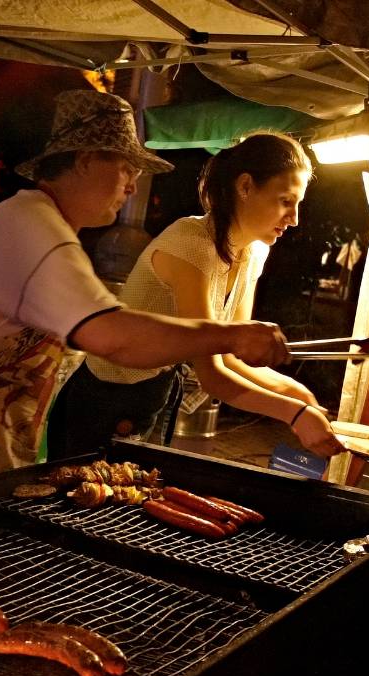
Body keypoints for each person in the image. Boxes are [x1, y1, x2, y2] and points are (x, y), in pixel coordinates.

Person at [0, 90, 295, 495]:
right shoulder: (31, 226)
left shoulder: (50, 225)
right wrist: (231, 336)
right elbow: (112, 337)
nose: (133, 186)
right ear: (85, 160)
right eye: (126, 169)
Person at [46, 133, 344, 461]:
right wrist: (295, 414)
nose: (295, 218)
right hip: (103, 400)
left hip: (156, 394)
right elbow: (212, 374)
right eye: (286, 201)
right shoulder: (192, 244)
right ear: (245, 186)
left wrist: (298, 394)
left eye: (298, 204)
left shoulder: (253, 252)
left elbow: (231, 356)